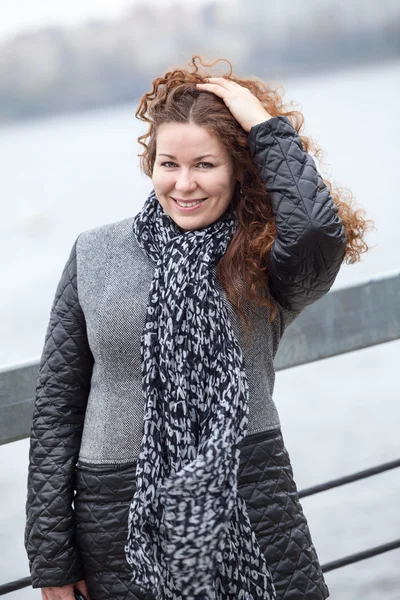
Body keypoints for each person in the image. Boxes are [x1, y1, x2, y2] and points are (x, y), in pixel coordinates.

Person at [25, 56, 371, 600]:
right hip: (116, 520)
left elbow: (315, 233)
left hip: (250, 500)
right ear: (152, 165)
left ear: (239, 167)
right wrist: (50, 559)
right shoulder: (95, 251)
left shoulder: (263, 257)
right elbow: (56, 409)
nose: (184, 184)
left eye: (205, 165)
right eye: (169, 164)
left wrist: (264, 127)